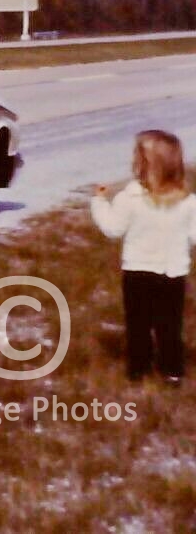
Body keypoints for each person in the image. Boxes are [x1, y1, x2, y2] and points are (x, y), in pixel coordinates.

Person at [91, 129, 196, 383]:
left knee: (138, 324)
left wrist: (99, 202)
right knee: (169, 324)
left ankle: (139, 370)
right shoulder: (188, 201)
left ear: (143, 164)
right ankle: (172, 371)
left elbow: (112, 228)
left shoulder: (130, 198)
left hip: (138, 273)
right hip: (173, 273)